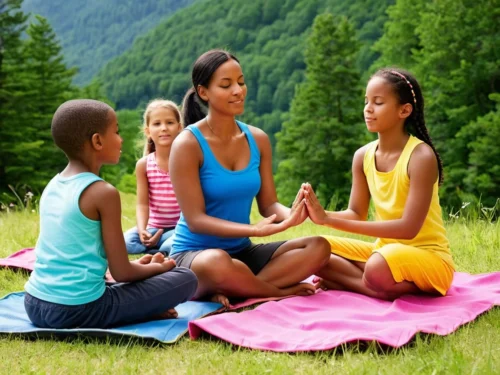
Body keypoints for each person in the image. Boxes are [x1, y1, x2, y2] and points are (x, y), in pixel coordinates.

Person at [168, 49, 331, 307]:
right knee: (217, 263)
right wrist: (254, 229)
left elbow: (269, 205)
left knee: (319, 247)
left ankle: (238, 289)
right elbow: (196, 220)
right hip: (195, 255)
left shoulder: (258, 139)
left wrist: (294, 214)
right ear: (203, 92)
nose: (238, 90)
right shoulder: (187, 144)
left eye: (241, 82)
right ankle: (273, 291)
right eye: (226, 85)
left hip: (242, 252)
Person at [24, 99, 198, 329]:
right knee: (186, 279)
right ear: (97, 141)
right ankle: (146, 311)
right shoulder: (103, 193)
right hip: (79, 309)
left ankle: (143, 304)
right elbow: (122, 272)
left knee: (136, 282)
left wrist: (143, 268)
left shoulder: (53, 185)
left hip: (34, 303)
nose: (121, 139)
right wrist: (158, 268)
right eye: (116, 132)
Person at [305, 68, 455, 301]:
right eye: (366, 101)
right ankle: (377, 286)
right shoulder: (362, 156)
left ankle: (354, 284)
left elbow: (408, 228)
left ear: (404, 110)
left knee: (376, 266)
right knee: (314, 250)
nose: (368, 109)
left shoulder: (420, 157)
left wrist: (329, 221)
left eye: (378, 102)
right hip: (384, 252)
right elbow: (356, 213)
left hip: (429, 258)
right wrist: (320, 214)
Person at [124, 99, 183, 255]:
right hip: (153, 227)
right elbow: (142, 205)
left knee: (170, 246)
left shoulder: (187, 162)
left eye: (169, 122)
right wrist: (143, 230)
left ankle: (161, 247)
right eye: (157, 124)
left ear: (179, 128)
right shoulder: (144, 165)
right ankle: (155, 245)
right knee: (126, 243)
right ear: (148, 131)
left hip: (181, 228)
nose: (164, 128)